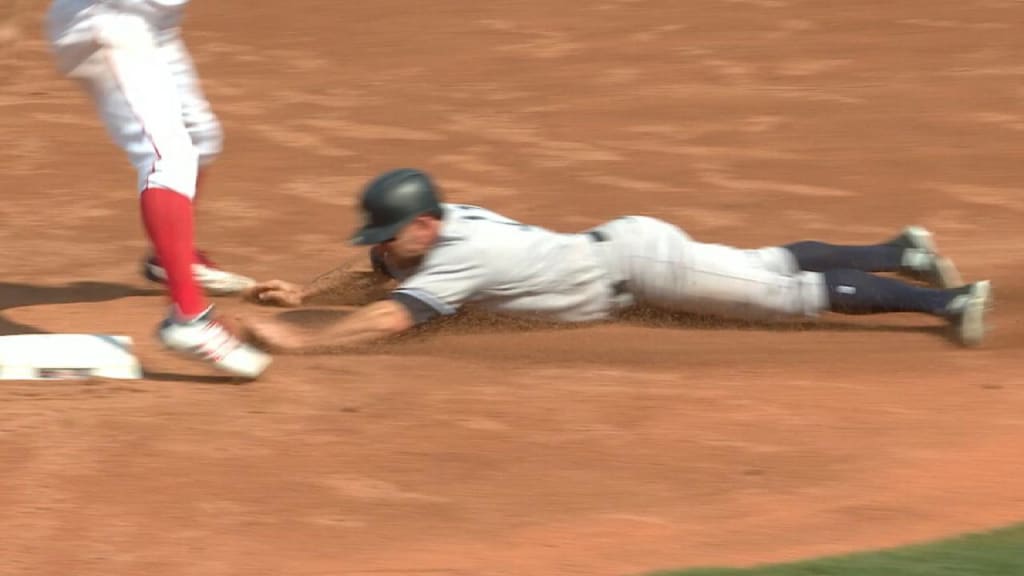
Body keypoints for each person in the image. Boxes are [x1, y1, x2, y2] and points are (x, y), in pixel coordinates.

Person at [239, 168, 992, 353]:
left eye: (393, 230)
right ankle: (903, 251)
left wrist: (303, 338)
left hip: (644, 268)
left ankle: (945, 304)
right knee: (768, 263)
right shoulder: (436, 233)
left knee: (785, 296)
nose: (383, 243)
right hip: (628, 247)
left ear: (425, 224)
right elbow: (377, 272)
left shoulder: (459, 257)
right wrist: (302, 291)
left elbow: (388, 313)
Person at [46, 0, 270, 378]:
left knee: (202, 138)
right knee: (168, 158)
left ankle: (169, 260)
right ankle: (188, 318)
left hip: (157, 23)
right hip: (108, 24)